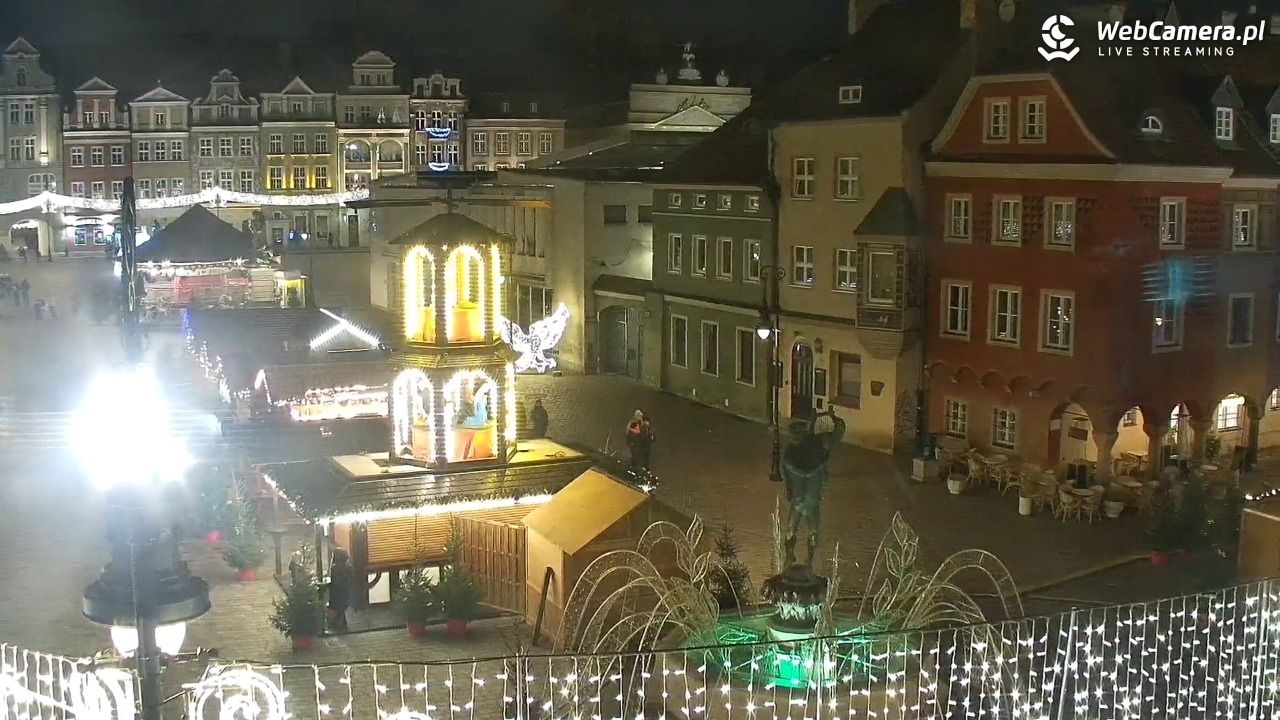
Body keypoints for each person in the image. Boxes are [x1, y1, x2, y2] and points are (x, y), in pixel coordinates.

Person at [326, 548, 352, 633]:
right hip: (344, 591)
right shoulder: (347, 567)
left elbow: (335, 581)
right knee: (341, 609)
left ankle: (336, 623)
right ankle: (341, 624)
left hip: (336, 592)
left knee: (337, 608)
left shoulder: (335, 567)